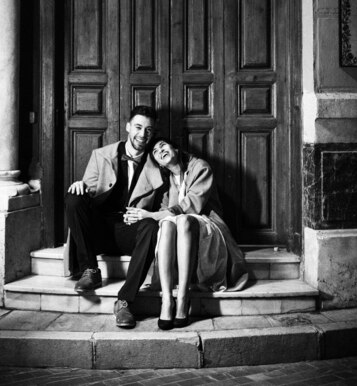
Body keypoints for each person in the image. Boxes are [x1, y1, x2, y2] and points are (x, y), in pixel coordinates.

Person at [124, 137, 248, 330]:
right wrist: (137, 214)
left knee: (182, 219)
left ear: (175, 148)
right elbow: (165, 210)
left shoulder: (200, 167)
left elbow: (190, 206)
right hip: (180, 229)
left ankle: (183, 296)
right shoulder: (167, 182)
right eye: (156, 151)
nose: (160, 151)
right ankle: (167, 299)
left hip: (208, 224)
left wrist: (151, 214)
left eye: (163, 145)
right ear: (157, 162)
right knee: (166, 224)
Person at [65, 105, 164, 329]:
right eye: (138, 127)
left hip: (130, 233)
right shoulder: (101, 155)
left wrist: (144, 215)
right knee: (74, 197)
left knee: (150, 225)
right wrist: (81, 185)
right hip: (100, 229)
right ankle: (90, 270)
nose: (142, 134)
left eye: (148, 130)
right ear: (128, 127)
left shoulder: (158, 164)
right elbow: (88, 190)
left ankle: (124, 301)